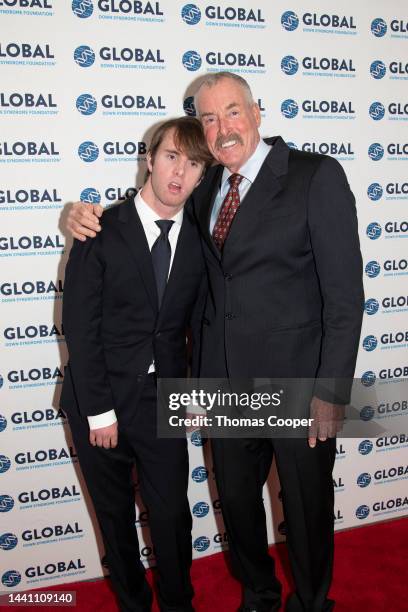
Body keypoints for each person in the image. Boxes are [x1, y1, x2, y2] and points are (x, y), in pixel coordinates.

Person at [67, 72, 364, 612]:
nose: (222, 127)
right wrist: (78, 214)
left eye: (232, 111)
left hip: (297, 387)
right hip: (223, 385)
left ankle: (312, 602)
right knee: (240, 509)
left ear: (256, 112)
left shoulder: (313, 176)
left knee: (305, 507)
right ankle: (259, 593)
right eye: (208, 117)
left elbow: (345, 295)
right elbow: (148, 217)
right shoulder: (204, 187)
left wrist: (333, 391)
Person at [61, 117, 211, 612]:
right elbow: (80, 328)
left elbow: (196, 327)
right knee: (115, 517)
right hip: (99, 399)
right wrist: (100, 411)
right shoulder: (101, 229)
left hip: (161, 399)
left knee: (172, 515)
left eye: (193, 164)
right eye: (171, 157)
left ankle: (177, 602)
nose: (179, 173)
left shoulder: (199, 241)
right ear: (150, 159)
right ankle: (131, 602)